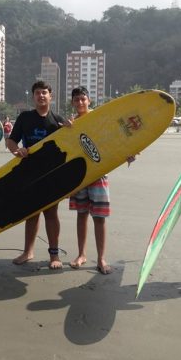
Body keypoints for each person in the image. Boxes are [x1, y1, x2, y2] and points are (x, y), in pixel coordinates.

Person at [7, 81, 67, 269]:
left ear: (51, 96)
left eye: (44, 93)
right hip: (29, 173)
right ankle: (28, 251)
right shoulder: (25, 118)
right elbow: (11, 141)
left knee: (51, 213)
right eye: (38, 93)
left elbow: (70, 147)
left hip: (52, 174)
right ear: (33, 97)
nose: (41, 96)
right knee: (31, 214)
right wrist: (17, 151)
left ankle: (54, 255)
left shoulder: (58, 120)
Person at [67, 87, 113, 274]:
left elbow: (112, 140)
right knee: (81, 215)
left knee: (99, 218)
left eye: (83, 99)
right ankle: (81, 254)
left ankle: (101, 258)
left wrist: (128, 152)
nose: (80, 103)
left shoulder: (99, 118)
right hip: (79, 176)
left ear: (89, 100)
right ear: (72, 102)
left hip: (98, 174)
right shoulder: (71, 123)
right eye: (76, 100)